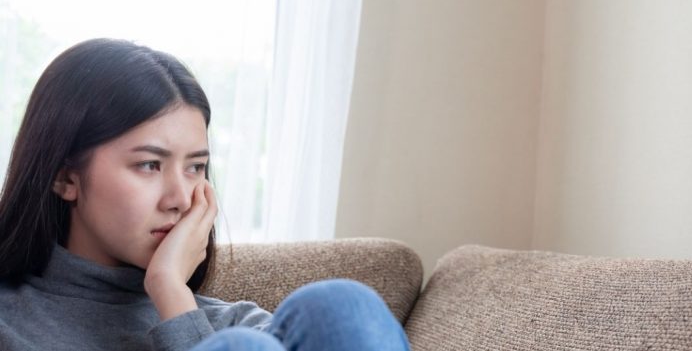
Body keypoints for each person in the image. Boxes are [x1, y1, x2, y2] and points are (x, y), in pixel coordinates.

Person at [0, 38, 411, 351]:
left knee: (339, 305)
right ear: (64, 177)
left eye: (195, 167)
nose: (180, 198)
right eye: (150, 165)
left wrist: (171, 293)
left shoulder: (228, 322)